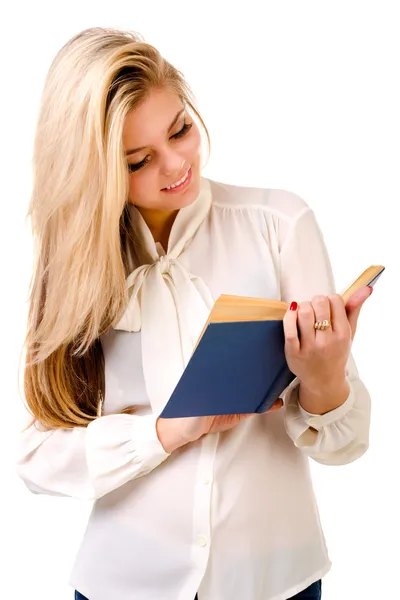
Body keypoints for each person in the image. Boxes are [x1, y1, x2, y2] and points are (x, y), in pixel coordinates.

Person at [16, 26, 372, 600]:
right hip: (122, 583)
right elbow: (36, 456)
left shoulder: (278, 224)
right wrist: (164, 433)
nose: (177, 163)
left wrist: (326, 377)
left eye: (180, 129)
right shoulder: (78, 266)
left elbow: (347, 444)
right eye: (139, 161)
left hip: (276, 580)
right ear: (96, 171)